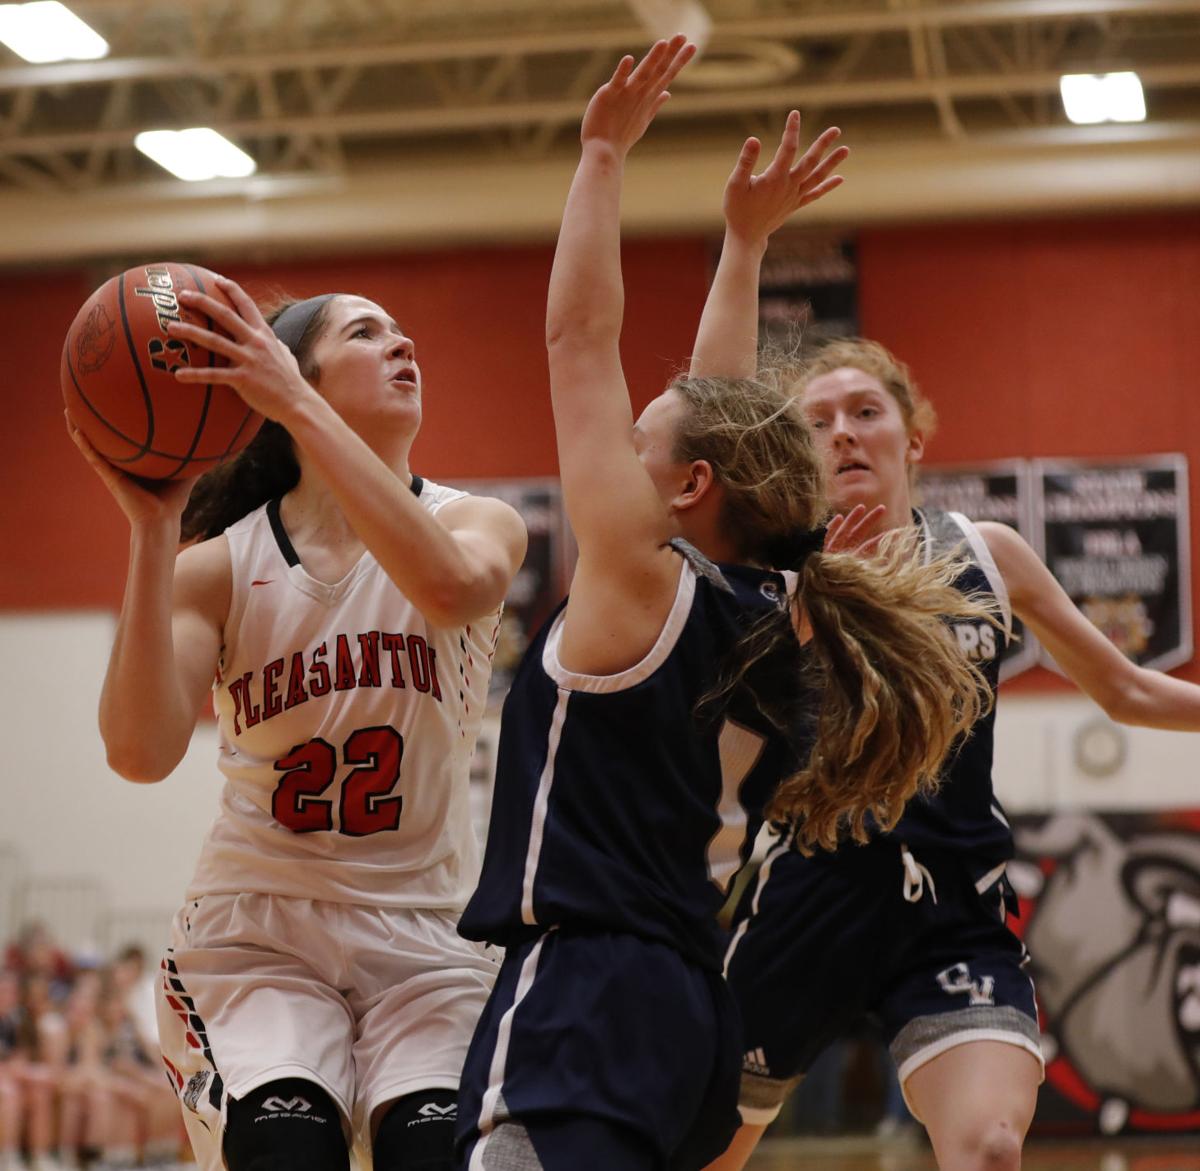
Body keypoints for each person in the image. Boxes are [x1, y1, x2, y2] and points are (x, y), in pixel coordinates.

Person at [453, 38, 995, 1171]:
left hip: (582, 996)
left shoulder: (637, 582)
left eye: (638, 435)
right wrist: (742, 243)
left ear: (688, 488)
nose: (624, 435)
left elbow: (576, 337)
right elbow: (730, 420)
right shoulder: (784, 613)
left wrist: (602, 155)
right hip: (694, 1007)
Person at [706, 336, 1200, 1171]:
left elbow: (1125, 688)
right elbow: (715, 741)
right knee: (705, 1151)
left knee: (991, 1146)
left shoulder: (986, 553)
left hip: (951, 906)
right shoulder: (773, 578)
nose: (845, 433)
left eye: (867, 412)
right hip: (809, 897)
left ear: (913, 439)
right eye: (820, 421)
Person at [68, 276, 528, 1171]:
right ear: (292, 376)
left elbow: (450, 589)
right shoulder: (224, 566)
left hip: (426, 934)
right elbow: (138, 752)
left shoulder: (475, 522)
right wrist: (154, 530)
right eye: (366, 333)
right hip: (260, 935)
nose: (404, 344)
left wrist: (290, 403)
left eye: (402, 329)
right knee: (289, 1150)